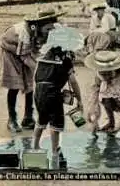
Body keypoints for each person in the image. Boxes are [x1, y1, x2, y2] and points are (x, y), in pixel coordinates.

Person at [0, 9, 65, 133]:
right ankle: (12, 119)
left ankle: (28, 117)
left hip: (26, 51)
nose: (49, 32)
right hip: (8, 50)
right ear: (39, 25)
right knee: (15, 85)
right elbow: (24, 57)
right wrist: (42, 71)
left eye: (51, 29)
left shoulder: (52, 30)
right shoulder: (25, 32)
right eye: (47, 29)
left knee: (31, 83)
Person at [32, 27, 84, 160]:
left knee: (41, 119)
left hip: (38, 91)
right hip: (52, 92)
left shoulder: (43, 57)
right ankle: (55, 152)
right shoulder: (65, 59)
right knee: (56, 123)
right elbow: (73, 81)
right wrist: (79, 100)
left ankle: (35, 147)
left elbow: (37, 77)